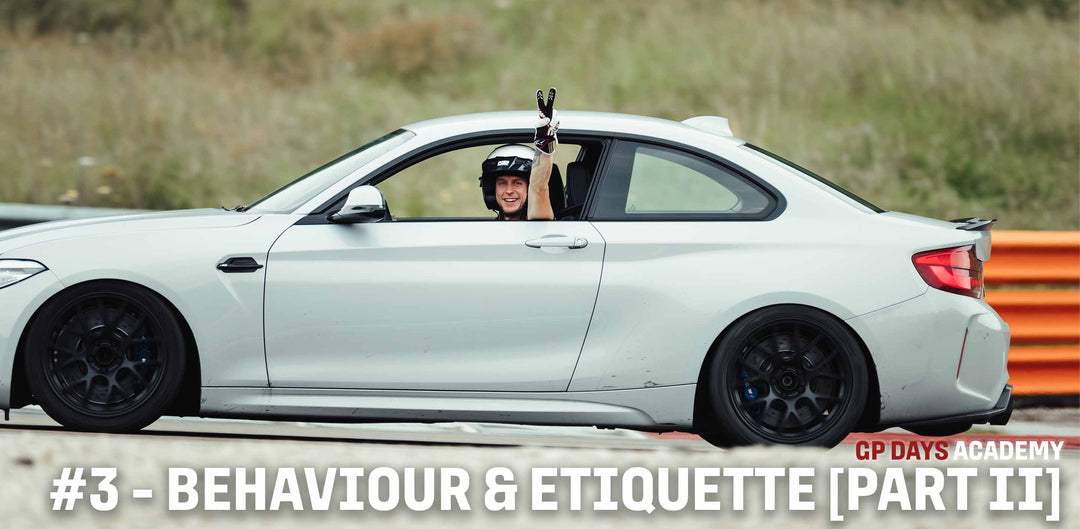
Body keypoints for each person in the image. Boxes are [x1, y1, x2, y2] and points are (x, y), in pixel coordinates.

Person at [478, 88, 560, 221]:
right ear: (491, 190)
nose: (509, 190)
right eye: (502, 183)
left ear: (529, 188)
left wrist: (544, 146)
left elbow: (538, 187)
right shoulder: (488, 229)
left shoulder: (538, 219)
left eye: (517, 183)